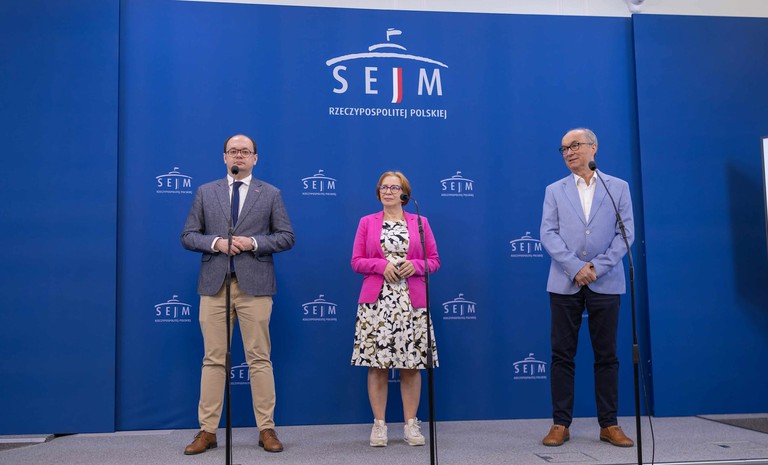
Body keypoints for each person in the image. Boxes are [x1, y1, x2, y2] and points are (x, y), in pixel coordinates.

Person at [181, 134, 295, 454]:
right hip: (214, 286)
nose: (239, 156)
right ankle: (207, 431)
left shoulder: (270, 193)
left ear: (255, 158)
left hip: (255, 287)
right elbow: (188, 235)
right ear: (224, 157)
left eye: (245, 151)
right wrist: (216, 243)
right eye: (233, 151)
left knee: (259, 358)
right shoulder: (206, 192)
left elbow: (286, 237)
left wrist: (253, 242)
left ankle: (266, 428)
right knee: (213, 359)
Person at [539, 128, 635, 448]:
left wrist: (597, 267)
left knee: (607, 355)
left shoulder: (617, 187)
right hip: (564, 281)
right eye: (564, 148)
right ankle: (560, 423)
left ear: (594, 147)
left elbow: (625, 234)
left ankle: (609, 424)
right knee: (561, 355)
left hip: (605, 281)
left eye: (575, 145)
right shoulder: (554, 190)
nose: (568, 152)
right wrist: (576, 267)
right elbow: (548, 233)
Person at [350, 171, 441, 448]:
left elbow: (434, 261)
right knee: (377, 365)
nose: (388, 191)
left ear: (404, 194)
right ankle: (379, 425)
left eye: (394, 187)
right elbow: (356, 261)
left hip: (411, 303)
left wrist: (416, 265)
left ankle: (411, 424)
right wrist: (381, 265)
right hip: (377, 304)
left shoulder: (420, 222)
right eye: (383, 187)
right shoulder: (367, 222)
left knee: (411, 366)